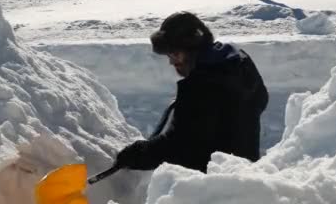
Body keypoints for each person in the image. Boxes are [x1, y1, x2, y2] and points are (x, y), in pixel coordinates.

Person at [115, 11, 268, 173]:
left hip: (211, 184)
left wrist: (138, 153)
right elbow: (262, 99)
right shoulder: (237, 62)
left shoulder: (201, 85)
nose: (171, 61)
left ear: (194, 48)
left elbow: (177, 145)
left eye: (175, 53)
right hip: (246, 172)